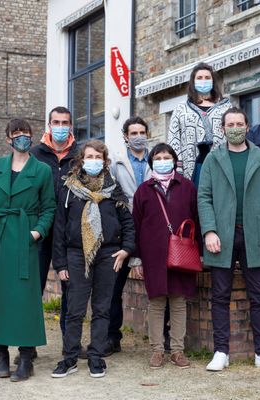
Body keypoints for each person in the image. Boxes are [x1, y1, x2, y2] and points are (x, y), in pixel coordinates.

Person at [197, 107, 260, 372]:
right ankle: (221, 351)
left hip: (255, 235)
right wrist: (209, 231)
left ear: (247, 127)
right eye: (230, 124)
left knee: (259, 295)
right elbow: (204, 197)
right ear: (223, 128)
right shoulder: (213, 159)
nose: (235, 127)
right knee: (220, 295)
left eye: (239, 123)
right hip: (222, 235)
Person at [0, 118, 56, 382]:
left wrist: (36, 232)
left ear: (32, 137)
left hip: (23, 238)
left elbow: (48, 208)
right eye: (16, 133)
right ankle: (0, 355)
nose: (21, 137)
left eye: (26, 133)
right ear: (8, 139)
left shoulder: (41, 171)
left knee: (24, 300)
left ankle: (26, 358)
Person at [51, 140, 135, 379]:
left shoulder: (113, 189)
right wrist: (61, 263)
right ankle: (69, 357)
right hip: (76, 254)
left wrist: (126, 249)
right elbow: (59, 227)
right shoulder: (69, 188)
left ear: (104, 160)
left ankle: (96, 357)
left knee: (102, 309)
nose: (94, 161)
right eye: (90, 156)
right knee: (75, 309)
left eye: (98, 157)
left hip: (108, 255)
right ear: (81, 160)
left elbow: (128, 222)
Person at [132, 143, 199, 369]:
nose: (163, 160)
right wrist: (137, 258)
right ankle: (157, 350)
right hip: (153, 255)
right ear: (152, 162)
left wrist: (197, 251)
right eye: (158, 157)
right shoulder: (144, 190)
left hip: (181, 253)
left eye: (167, 156)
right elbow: (136, 225)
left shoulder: (187, 186)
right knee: (157, 302)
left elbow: (197, 219)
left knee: (179, 301)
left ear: (174, 159)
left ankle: (177, 351)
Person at [30, 106, 79, 338]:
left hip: (69, 232)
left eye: (65, 122)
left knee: (71, 290)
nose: (61, 127)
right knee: (32, 289)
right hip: (40, 230)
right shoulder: (34, 154)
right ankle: (27, 342)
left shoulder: (80, 155)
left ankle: (70, 343)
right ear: (49, 125)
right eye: (56, 122)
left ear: (71, 125)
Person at [106, 116, 152, 355]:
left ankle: (162, 337)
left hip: (151, 228)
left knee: (158, 285)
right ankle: (112, 337)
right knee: (114, 286)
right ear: (125, 136)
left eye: (141, 132)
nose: (138, 137)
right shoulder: (116, 162)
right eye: (133, 133)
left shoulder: (158, 159)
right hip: (123, 230)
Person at [167, 62, 231, 184]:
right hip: (191, 167)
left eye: (207, 78)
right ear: (193, 81)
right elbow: (173, 139)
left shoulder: (226, 108)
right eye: (199, 78)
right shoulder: (181, 109)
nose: (203, 80)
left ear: (213, 81)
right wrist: (177, 168)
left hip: (221, 166)